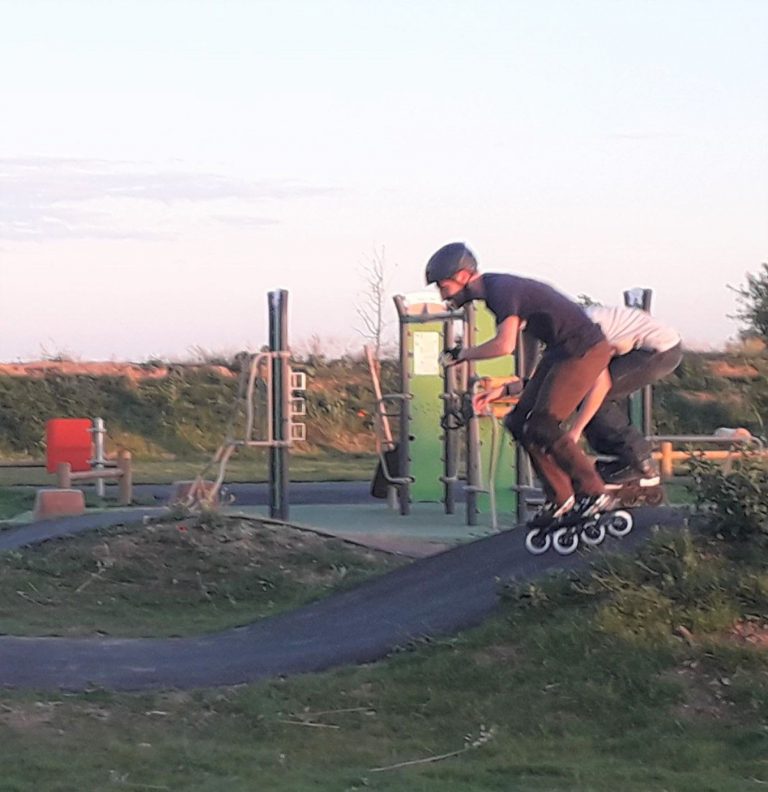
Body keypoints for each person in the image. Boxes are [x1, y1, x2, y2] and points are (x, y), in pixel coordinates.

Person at [426, 241, 613, 527]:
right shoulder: (496, 291)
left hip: (584, 349)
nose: (443, 295)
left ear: (463, 276)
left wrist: (462, 354)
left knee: (543, 424)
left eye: (443, 286)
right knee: (518, 421)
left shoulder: (500, 290)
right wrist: (512, 386)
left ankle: (594, 492)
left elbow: (504, 345)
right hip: (560, 351)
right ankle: (561, 497)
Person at [564, 304, 683, 486]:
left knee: (596, 396)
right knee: (587, 394)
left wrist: (575, 431)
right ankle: (615, 457)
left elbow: (600, 386)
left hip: (661, 350)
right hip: (639, 345)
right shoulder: (576, 324)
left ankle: (640, 463)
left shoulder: (586, 331)